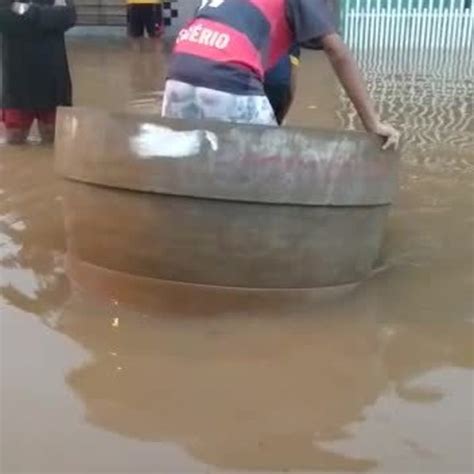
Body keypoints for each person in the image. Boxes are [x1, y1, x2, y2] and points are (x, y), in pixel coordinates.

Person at [162, 0, 399, 149]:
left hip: (177, 78)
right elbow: (337, 52)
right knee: (269, 170)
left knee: (195, 163)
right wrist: (373, 123)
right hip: (231, 81)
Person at [0, 0, 76, 144]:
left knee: (53, 138)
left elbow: (69, 16)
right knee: (15, 138)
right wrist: (46, 17)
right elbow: (3, 16)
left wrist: (25, 11)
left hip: (53, 80)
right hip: (17, 80)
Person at [263, 44, 300, 125]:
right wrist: (281, 118)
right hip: (277, 87)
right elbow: (291, 83)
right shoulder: (291, 36)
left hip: (247, 84)